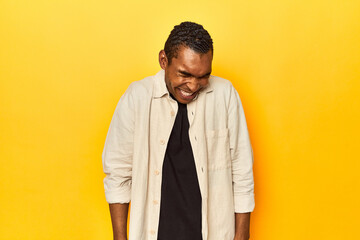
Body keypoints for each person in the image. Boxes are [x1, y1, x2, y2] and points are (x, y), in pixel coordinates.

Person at [102, 21, 255, 240]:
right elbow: (118, 173)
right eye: (185, 74)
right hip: (153, 232)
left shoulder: (225, 95)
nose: (193, 86)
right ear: (163, 60)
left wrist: (242, 236)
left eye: (203, 76)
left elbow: (242, 171)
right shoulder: (137, 97)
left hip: (213, 232)